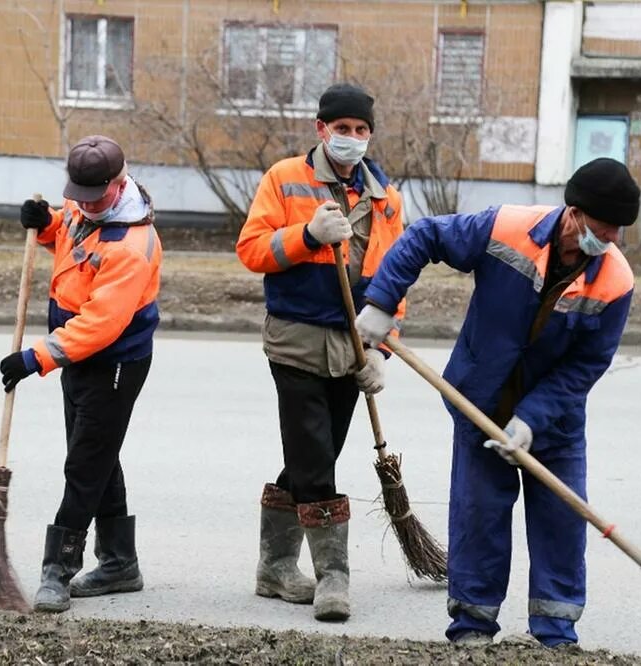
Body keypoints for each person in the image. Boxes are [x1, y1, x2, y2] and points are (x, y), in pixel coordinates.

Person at [353, 158, 640, 647]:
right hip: (478, 404)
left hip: (553, 422)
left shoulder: (615, 281)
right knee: (479, 515)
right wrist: (382, 304)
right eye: (603, 226)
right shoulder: (508, 227)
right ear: (574, 214)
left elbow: (584, 368)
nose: (610, 238)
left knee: (561, 521)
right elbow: (425, 236)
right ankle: (472, 626)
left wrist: (531, 420)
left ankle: (555, 632)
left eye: (618, 230)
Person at [236, 83, 406, 622]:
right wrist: (307, 234)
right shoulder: (285, 179)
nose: (352, 139)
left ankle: (274, 567)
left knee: (314, 458)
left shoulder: (385, 198)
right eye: (342, 129)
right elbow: (251, 250)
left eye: (361, 130)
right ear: (321, 129)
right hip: (294, 340)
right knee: (314, 456)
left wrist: (383, 348)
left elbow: (393, 280)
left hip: (352, 346)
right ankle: (334, 577)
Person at [0, 135, 163, 613]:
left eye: (95, 197)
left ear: (119, 181)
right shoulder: (83, 207)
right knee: (97, 453)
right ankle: (119, 562)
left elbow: (100, 324)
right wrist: (47, 224)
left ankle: (58, 570)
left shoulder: (131, 245)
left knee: (85, 463)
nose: (84, 205)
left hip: (112, 363)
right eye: (78, 196)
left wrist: (35, 358)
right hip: (79, 357)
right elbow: (70, 240)